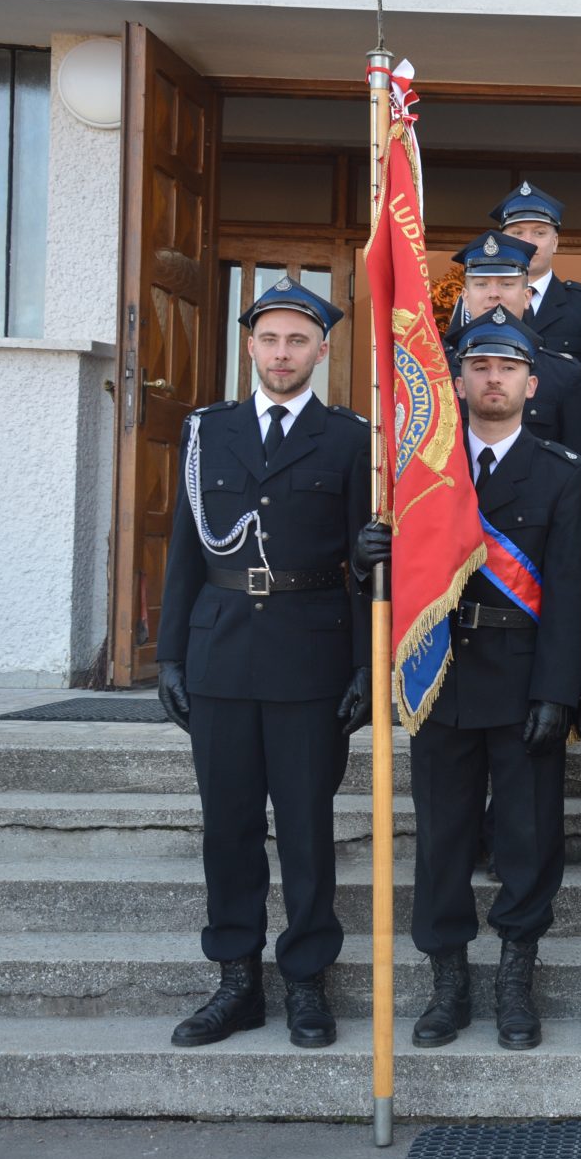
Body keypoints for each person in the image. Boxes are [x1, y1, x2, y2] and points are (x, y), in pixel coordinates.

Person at [352, 308, 581, 1051]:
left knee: (527, 837)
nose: (493, 379)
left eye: (507, 368)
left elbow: (574, 594)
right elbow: (400, 581)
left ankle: (515, 982)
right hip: (440, 674)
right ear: (456, 380)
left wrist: (558, 692)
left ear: (531, 383)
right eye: (480, 366)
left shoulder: (562, 472)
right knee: (443, 838)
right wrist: (366, 561)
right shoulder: (421, 470)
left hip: (523, 678)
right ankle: (448, 983)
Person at [155, 278, 371, 1050]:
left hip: (310, 657)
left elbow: (362, 572)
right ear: (249, 345)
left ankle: (307, 981)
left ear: (322, 349)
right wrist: (169, 653)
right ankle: (237, 981)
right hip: (219, 650)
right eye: (270, 339)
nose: (283, 353)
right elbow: (186, 551)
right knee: (230, 827)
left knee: (307, 828)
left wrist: (365, 666)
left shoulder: (350, 439)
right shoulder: (207, 432)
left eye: (298, 340)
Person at [446, 231, 581, 458]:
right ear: (465, 298)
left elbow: (579, 463)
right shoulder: (436, 370)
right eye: (481, 284)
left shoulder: (564, 374)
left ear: (527, 296)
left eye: (507, 284)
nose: (494, 294)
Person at [487, 180, 581, 433]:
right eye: (517, 233)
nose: (528, 242)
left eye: (539, 233)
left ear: (556, 242)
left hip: (561, 444)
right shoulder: (481, 301)